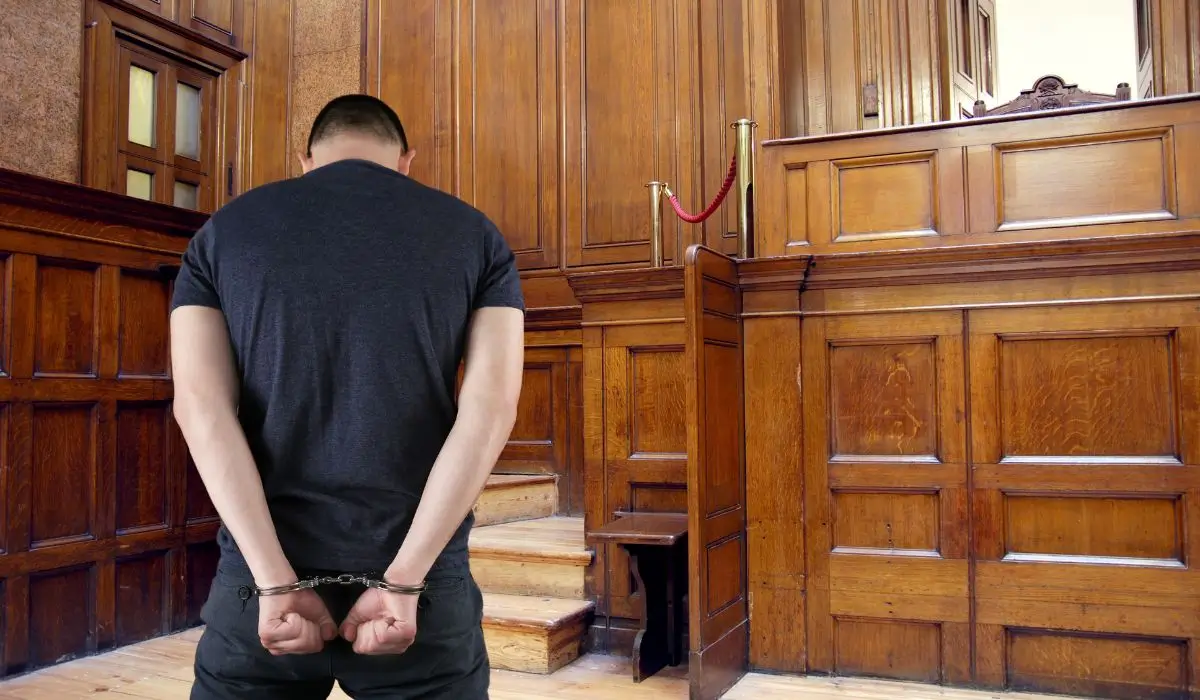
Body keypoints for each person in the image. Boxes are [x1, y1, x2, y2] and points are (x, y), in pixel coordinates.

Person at [169, 94, 525, 699]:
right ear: (406, 160)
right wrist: (404, 582)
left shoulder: (223, 231)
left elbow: (200, 408)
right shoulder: (474, 234)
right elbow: (489, 411)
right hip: (418, 585)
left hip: (260, 585)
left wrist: (276, 582)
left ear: (305, 159)